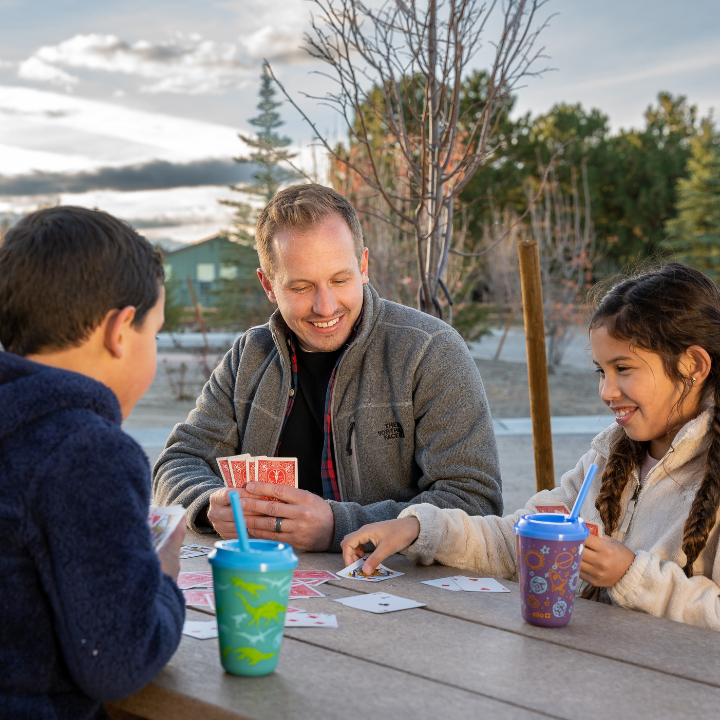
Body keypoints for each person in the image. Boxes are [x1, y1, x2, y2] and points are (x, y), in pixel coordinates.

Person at [342, 263, 720, 631]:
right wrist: (420, 528)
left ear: (693, 365)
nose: (605, 391)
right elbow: (518, 542)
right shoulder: (606, 460)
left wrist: (632, 575)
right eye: (600, 372)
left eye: (623, 369)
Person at [153, 184, 502, 551]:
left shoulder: (431, 351)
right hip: (267, 583)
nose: (325, 306)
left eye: (340, 280)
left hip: (399, 594)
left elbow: (474, 503)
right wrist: (209, 505)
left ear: (363, 266)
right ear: (268, 285)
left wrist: (338, 526)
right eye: (302, 287)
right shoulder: (249, 356)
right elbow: (177, 461)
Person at [0, 207, 186, 719]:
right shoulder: (88, 451)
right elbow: (118, 660)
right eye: (156, 334)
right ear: (121, 330)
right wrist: (165, 580)